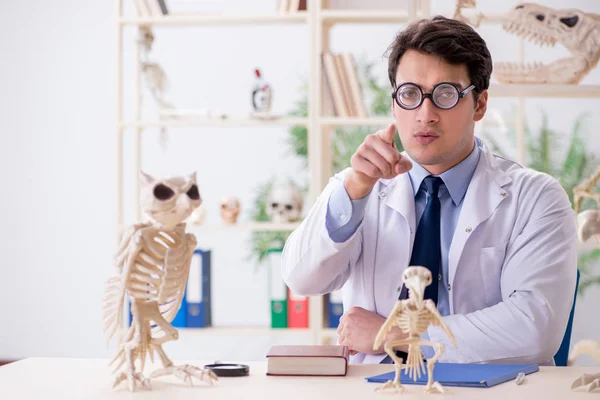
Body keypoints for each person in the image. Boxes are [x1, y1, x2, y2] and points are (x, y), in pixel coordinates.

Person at [280, 15, 577, 365]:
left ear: (479, 104)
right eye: (409, 94)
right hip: (377, 389)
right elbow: (301, 279)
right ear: (394, 103)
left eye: (445, 94)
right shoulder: (360, 188)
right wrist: (355, 189)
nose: (425, 114)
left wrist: (396, 335)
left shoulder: (536, 197)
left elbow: (535, 330)